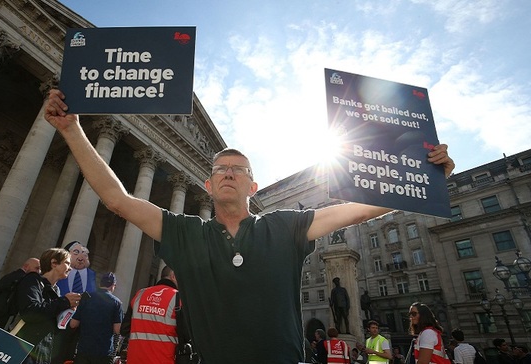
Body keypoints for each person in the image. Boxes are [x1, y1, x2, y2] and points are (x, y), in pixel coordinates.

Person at [44, 88, 455, 364]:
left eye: (238, 170)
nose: (228, 173)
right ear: (208, 183)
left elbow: (358, 211)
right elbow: (118, 201)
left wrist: (428, 175)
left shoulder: (286, 226)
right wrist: (71, 128)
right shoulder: (186, 232)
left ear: (252, 185)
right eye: (220, 168)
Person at [15, 248, 81, 364]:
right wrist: (65, 302)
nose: (70, 268)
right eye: (67, 263)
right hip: (23, 350)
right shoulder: (33, 280)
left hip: (43, 353)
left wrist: (67, 312)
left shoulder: (57, 290)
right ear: (54, 263)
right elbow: (30, 312)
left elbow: (54, 324)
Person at [120, 266, 182, 364]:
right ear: (173, 276)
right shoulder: (178, 299)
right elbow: (186, 336)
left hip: (134, 360)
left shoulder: (139, 294)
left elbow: (124, 330)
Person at [56, 241, 97, 363]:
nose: (81, 257)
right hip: (56, 318)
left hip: (78, 325)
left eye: (84, 253)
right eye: (76, 253)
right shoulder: (59, 271)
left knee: (67, 356)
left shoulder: (90, 275)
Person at [69, 272, 123, 364]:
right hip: (104, 353)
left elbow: (73, 324)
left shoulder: (86, 298)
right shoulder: (116, 303)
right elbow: (117, 330)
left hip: (84, 350)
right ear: (113, 286)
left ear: (99, 284)